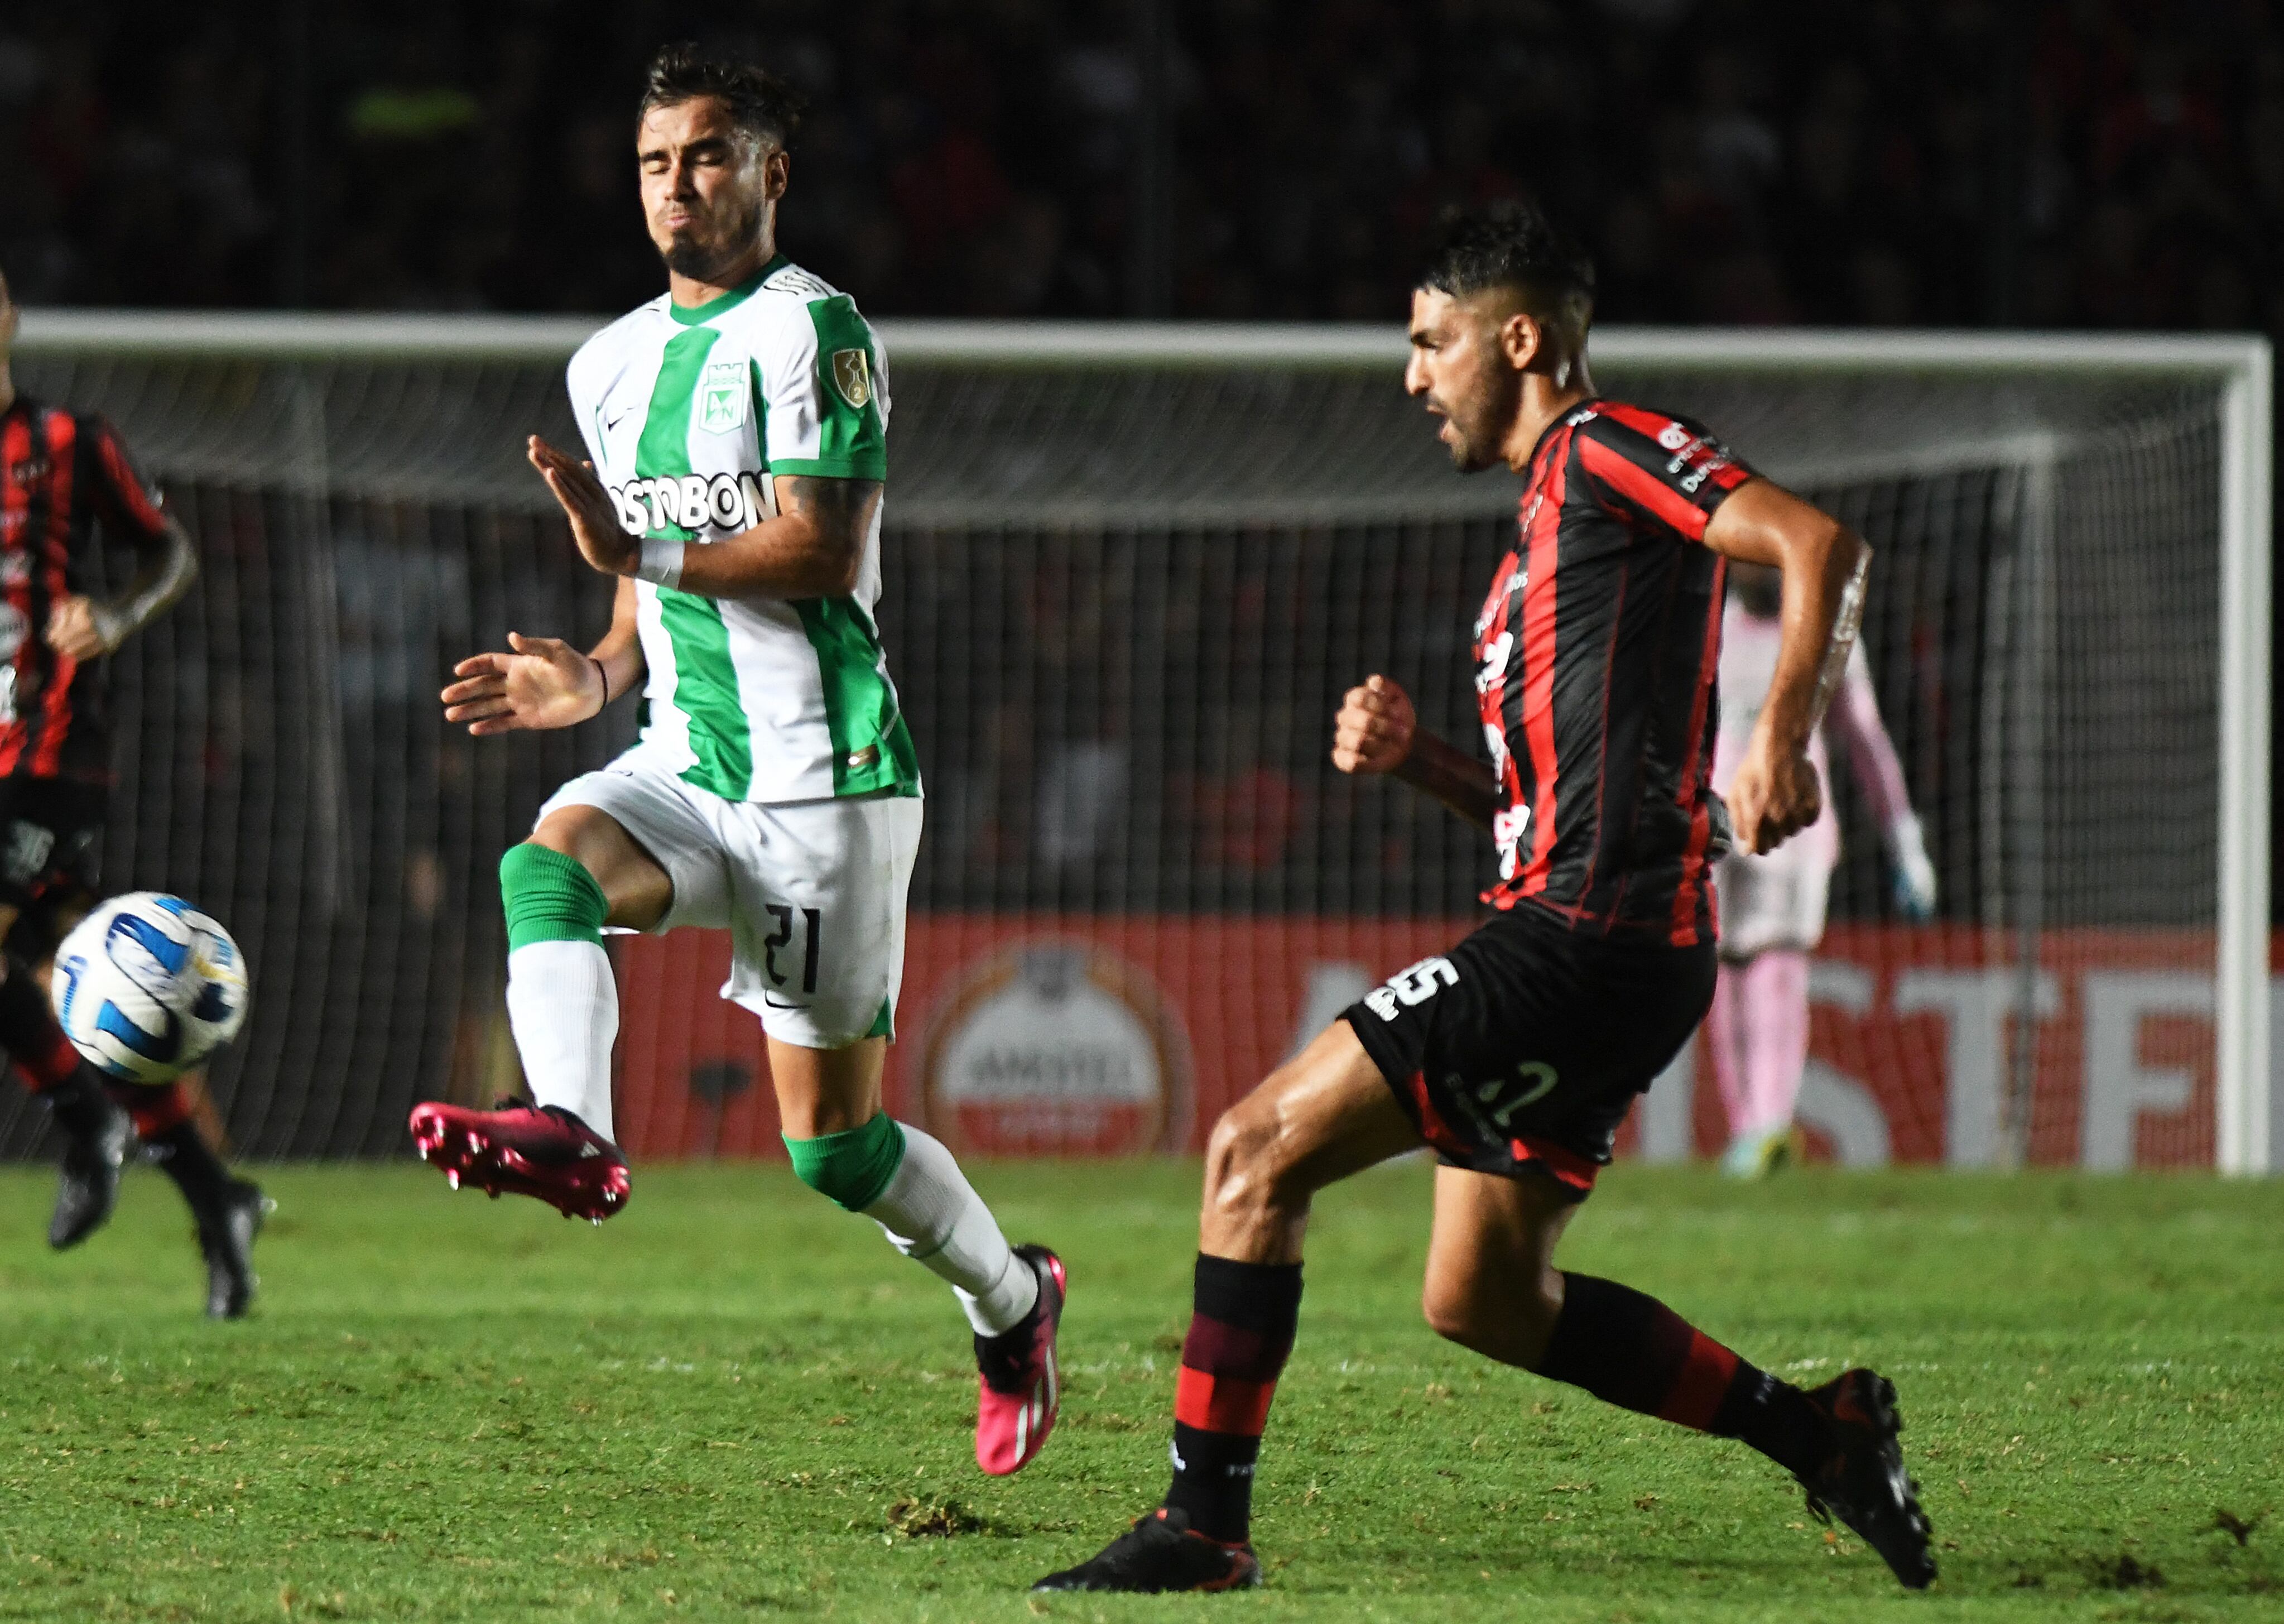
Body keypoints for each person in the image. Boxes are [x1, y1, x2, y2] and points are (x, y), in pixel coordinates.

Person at [1031, 203, 1935, 1594]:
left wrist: (1781, 735)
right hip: (1606, 932)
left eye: (1429, 339)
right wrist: (1426, 766)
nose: (1412, 374)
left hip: (1583, 936)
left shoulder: (1603, 445)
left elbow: (1816, 542)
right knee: (1481, 1295)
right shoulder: (1541, 527)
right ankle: (1818, 1432)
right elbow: (1550, 801)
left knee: (1248, 1150)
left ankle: (1200, 1523)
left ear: (1517, 339)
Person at [406, 47, 1067, 1477]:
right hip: (685, 759)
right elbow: (645, 608)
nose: (676, 184)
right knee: (548, 859)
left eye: (707, 155)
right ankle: (572, 1126)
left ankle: (1013, 1303)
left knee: (832, 1148)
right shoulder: (606, 365)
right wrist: (588, 669)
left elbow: (819, 546)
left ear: (772, 171)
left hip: (825, 780)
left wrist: (629, 549)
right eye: (655, 161)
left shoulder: (815, 327)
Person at [0, 236, 267, 1318]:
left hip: (54, 749)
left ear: (10, 319)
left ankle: (84, 1123)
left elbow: (166, 551)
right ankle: (216, 1200)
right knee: (85, 996)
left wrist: (115, 614)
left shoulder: (69, 442)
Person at [1710, 563, 1935, 1176]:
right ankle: (1746, 1130)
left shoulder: (1826, 633)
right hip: (1716, 829)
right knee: (1722, 972)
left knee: (1780, 966)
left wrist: (1904, 839)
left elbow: (1865, 738)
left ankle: (1770, 1125)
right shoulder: (1712, 629)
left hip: (1796, 827)